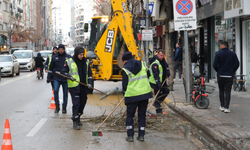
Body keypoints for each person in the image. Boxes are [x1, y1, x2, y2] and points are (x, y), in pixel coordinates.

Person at [122, 51, 152, 142]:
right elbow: (149, 75)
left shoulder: (125, 69)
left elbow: (124, 86)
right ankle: (141, 135)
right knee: (142, 115)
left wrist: (124, 95)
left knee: (130, 116)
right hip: (144, 94)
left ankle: (130, 136)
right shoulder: (143, 64)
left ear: (125, 60)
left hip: (132, 96)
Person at [61, 47, 93, 130]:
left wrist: (89, 83)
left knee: (82, 104)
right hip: (74, 87)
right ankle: (75, 121)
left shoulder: (86, 62)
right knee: (76, 104)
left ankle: (78, 116)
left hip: (84, 86)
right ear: (76, 54)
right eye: (80, 54)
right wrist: (69, 76)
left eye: (83, 54)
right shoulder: (69, 61)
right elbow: (63, 72)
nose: (82, 56)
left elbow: (90, 74)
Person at [213, 41, 239, 113]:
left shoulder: (218, 54)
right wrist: (232, 71)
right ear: (228, 46)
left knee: (221, 90)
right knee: (228, 91)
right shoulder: (233, 54)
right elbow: (237, 64)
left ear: (222, 46)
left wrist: (218, 70)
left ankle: (222, 106)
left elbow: (214, 64)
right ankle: (226, 107)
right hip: (229, 75)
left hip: (221, 75)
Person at [48, 44, 72, 114]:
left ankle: (64, 107)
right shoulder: (54, 57)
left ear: (64, 50)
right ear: (58, 50)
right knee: (55, 90)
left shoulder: (68, 57)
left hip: (65, 78)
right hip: (56, 77)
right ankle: (57, 106)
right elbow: (51, 68)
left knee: (65, 93)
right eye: (60, 49)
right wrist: (49, 77)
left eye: (62, 49)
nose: (61, 51)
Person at [149, 49, 170, 115]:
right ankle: (159, 112)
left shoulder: (163, 61)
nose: (161, 57)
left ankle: (156, 103)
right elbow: (156, 75)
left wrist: (168, 72)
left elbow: (166, 67)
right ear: (157, 54)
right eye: (160, 55)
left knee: (166, 91)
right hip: (155, 83)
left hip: (163, 81)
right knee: (158, 95)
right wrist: (158, 84)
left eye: (162, 55)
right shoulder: (155, 63)